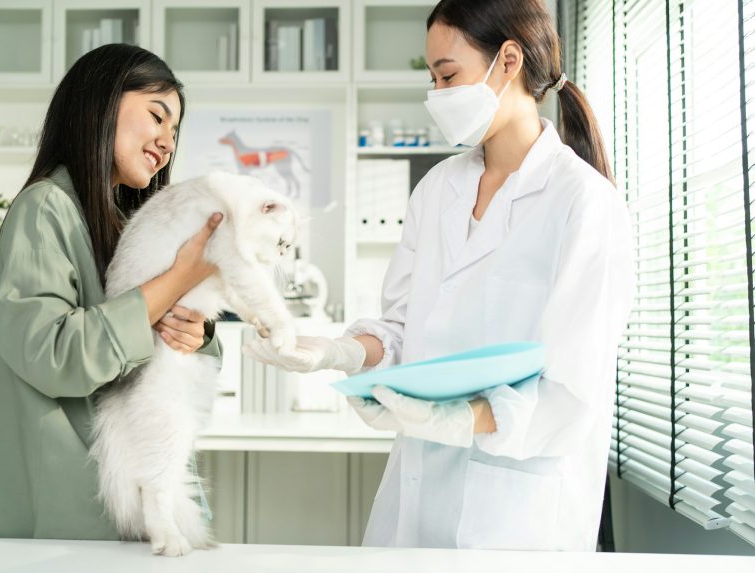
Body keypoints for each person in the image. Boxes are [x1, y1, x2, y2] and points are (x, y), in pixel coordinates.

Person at [244, 0, 634, 551]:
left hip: (512, 520)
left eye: (448, 75)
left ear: (508, 61)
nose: (437, 94)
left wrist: (456, 420)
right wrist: (341, 353)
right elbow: (403, 332)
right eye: (432, 78)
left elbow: (572, 394)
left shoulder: (584, 203)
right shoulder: (437, 190)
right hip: (415, 496)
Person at [0, 44, 223, 540]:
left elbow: (173, 351)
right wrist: (176, 279)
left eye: (174, 132)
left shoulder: (122, 223)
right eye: (157, 116)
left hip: (132, 504)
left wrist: (199, 332)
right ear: (101, 103)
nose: (166, 142)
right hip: (70, 509)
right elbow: (51, 354)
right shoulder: (44, 208)